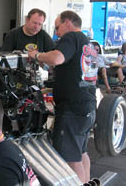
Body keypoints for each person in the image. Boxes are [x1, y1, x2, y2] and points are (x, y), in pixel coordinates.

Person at [28, 10, 97, 183]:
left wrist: (36, 55)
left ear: (68, 23)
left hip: (72, 108)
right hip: (87, 105)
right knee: (81, 153)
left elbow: (57, 58)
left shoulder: (71, 37)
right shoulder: (87, 43)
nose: (56, 33)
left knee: (70, 160)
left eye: (57, 27)